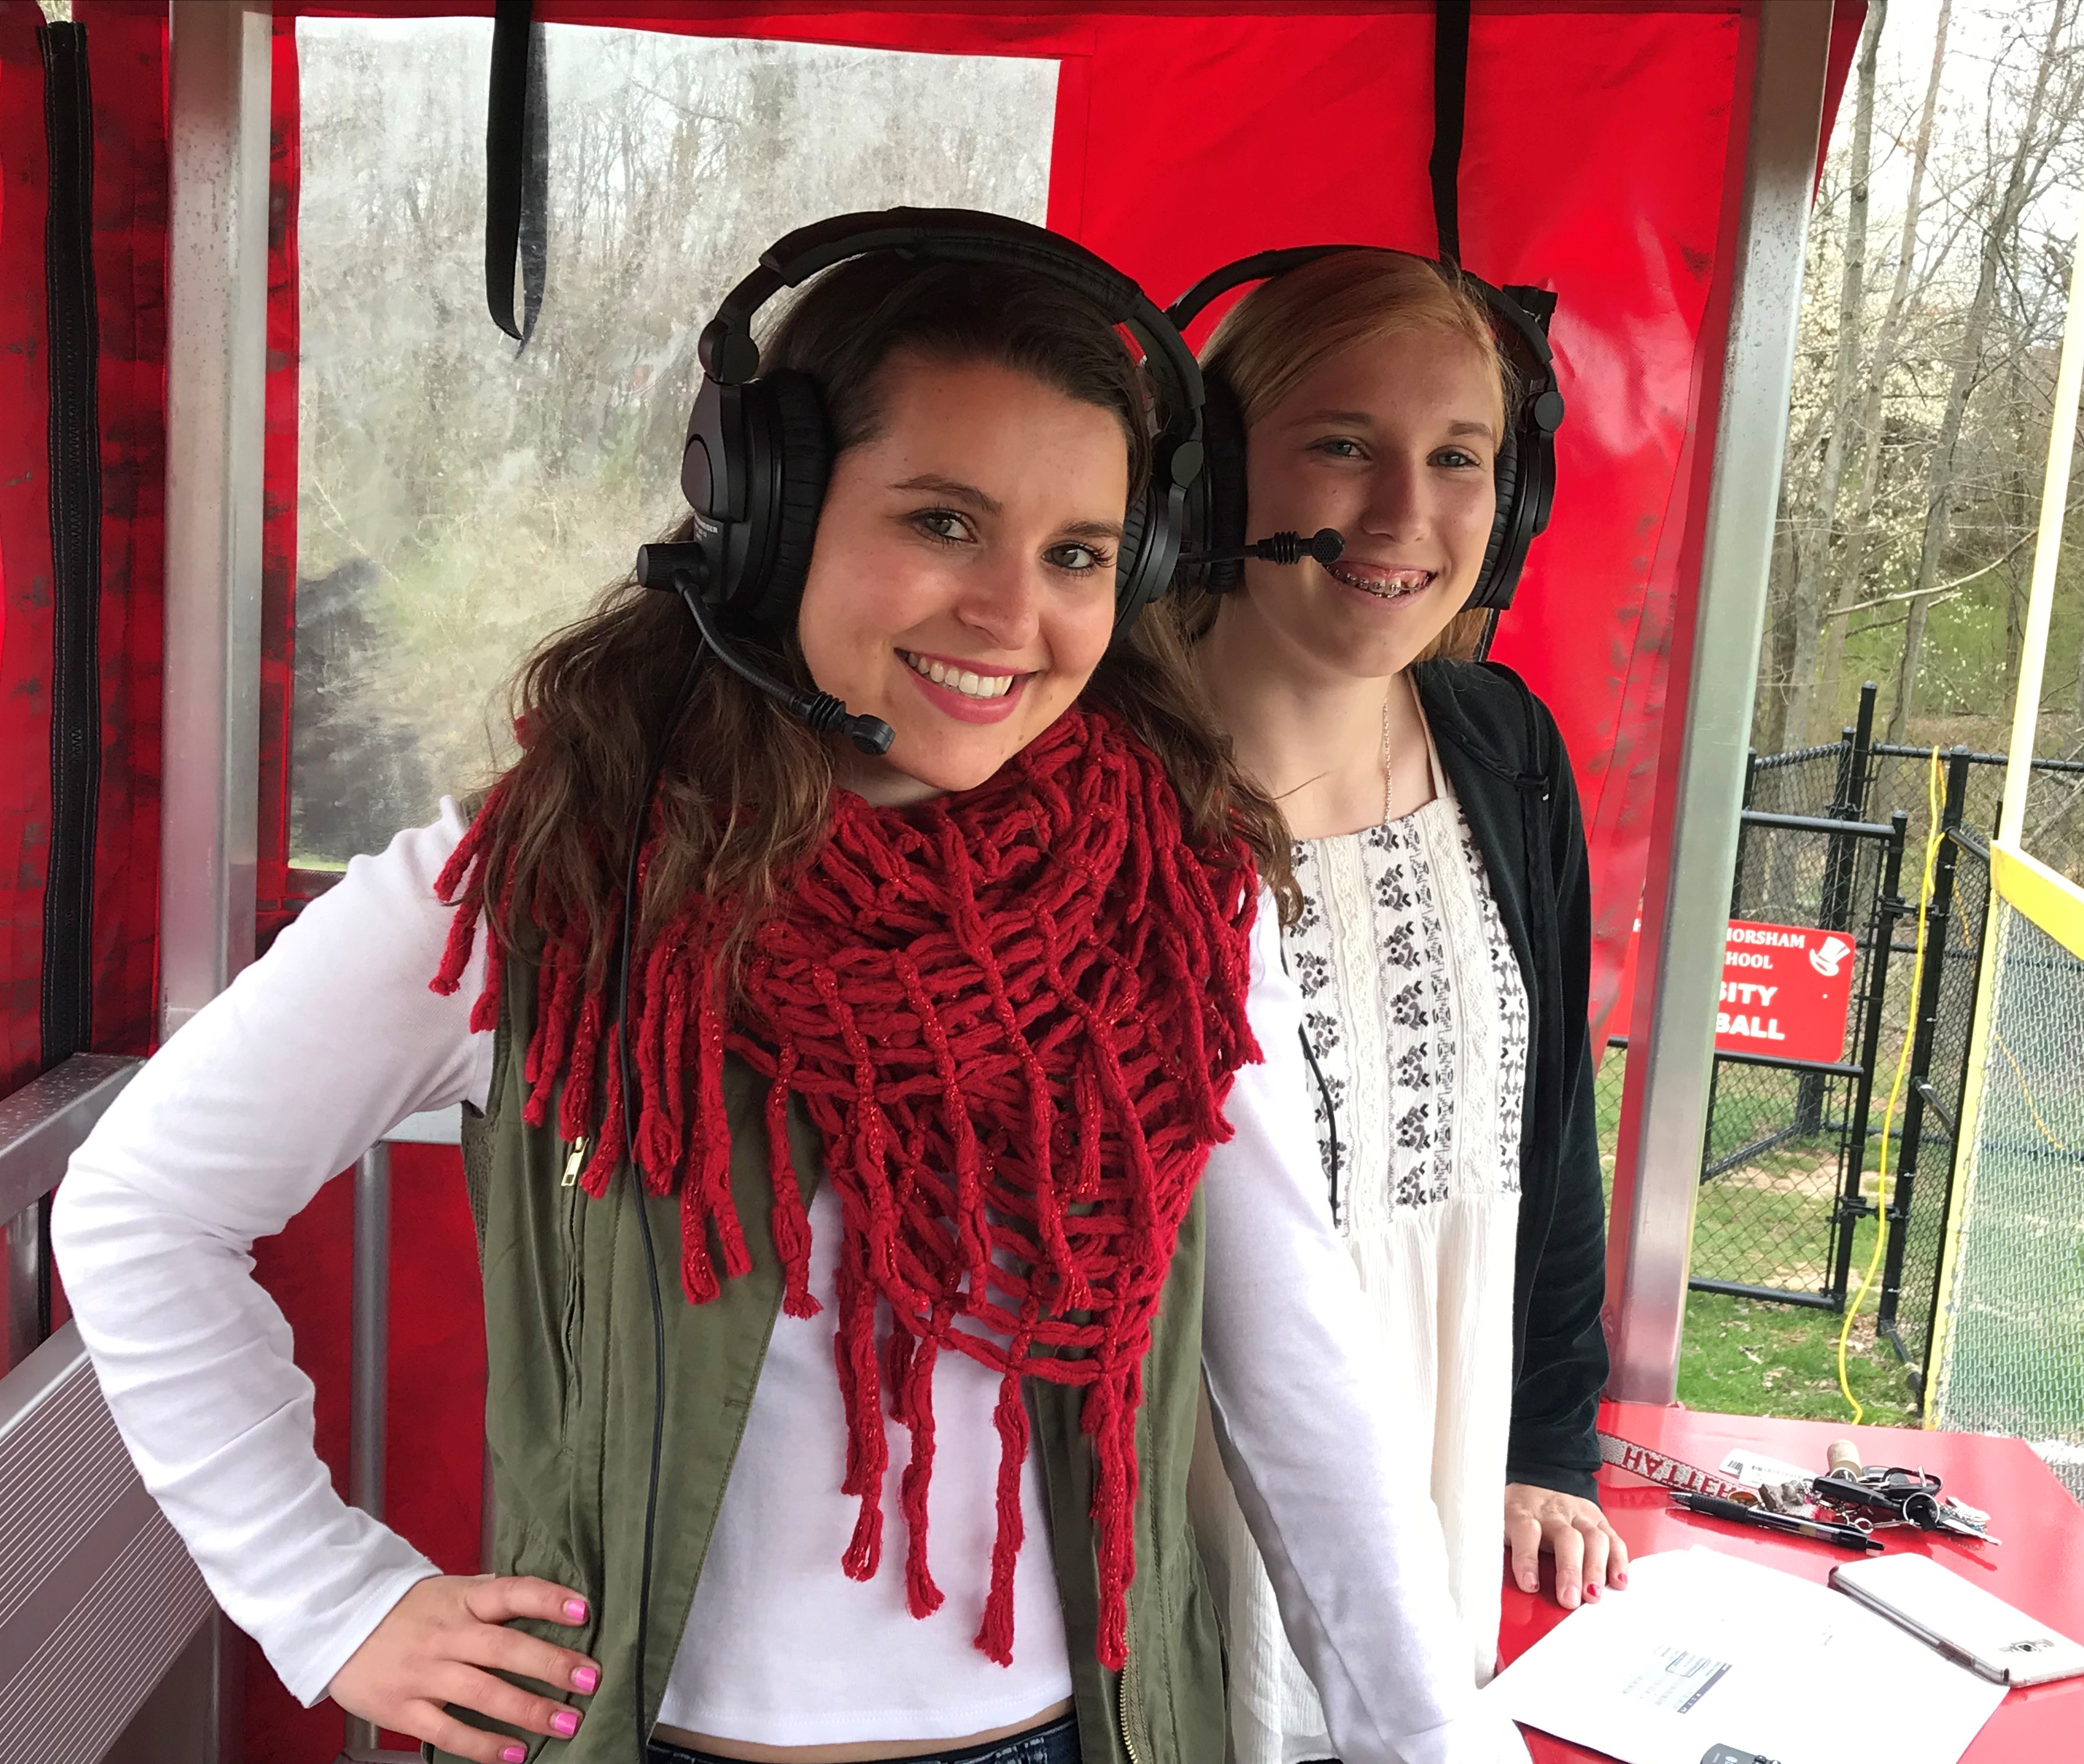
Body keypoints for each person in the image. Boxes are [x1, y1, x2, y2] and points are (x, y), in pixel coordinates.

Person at [54, 217, 1529, 1764]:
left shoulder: (1171, 891)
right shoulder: (552, 883)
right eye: (945, 523)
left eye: (1077, 555)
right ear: (767, 518)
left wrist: (1432, 1741)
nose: (1011, 614)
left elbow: (1295, 1367)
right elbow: (140, 1207)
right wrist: (327, 1597)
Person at [1171, 247, 1623, 1764]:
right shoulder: (1099, 772)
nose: (1402, 515)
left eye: (1457, 459)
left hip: (1436, 1541)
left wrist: (1552, 1445)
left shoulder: (1504, 751)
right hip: (1173, 1540)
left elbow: (1548, 1135)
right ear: (1216, 466)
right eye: (1343, 444)